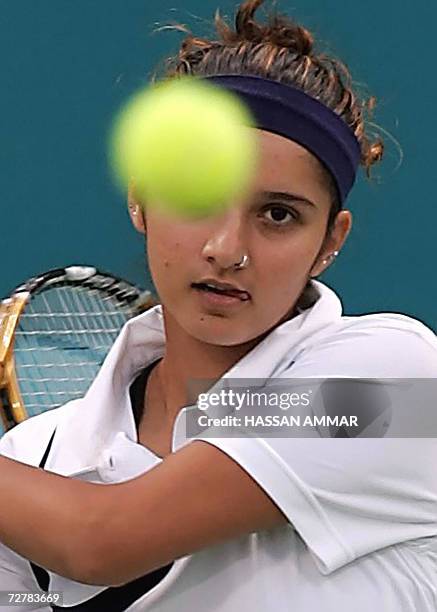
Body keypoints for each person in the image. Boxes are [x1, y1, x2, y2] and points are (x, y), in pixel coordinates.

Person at [0, 1, 436, 610]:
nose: (226, 249)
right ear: (141, 201)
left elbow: (98, 540)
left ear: (330, 241)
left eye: (277, 215)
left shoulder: (388, 386)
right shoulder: (32, 458)